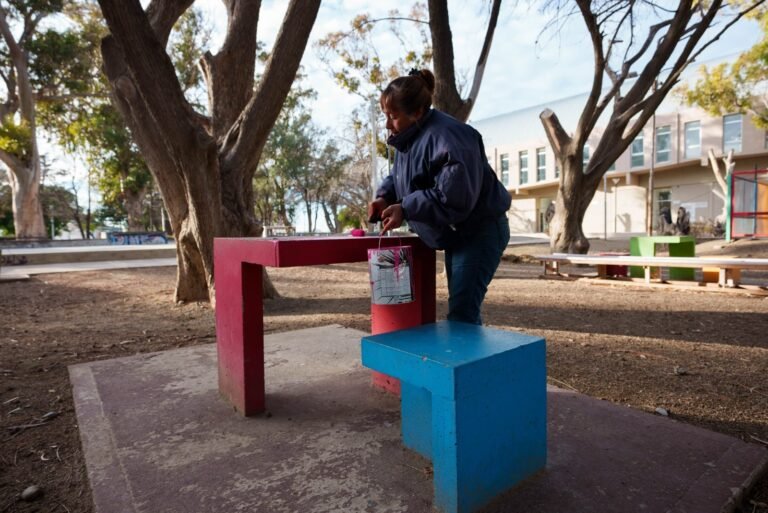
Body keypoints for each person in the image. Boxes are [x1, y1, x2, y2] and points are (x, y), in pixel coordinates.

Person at [368, 68, 511, 325]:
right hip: (458, 234)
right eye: (385, 116)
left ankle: (468, 363)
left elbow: (453, 197)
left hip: (481, 230)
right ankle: (462, 361)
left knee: (462, 315)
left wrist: (406, 208)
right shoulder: (409, 138)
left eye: (393, 116)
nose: (388, 124)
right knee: (462, 312)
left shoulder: (450, 137)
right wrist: (385, 197)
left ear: (418, 112)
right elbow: (401, 177)